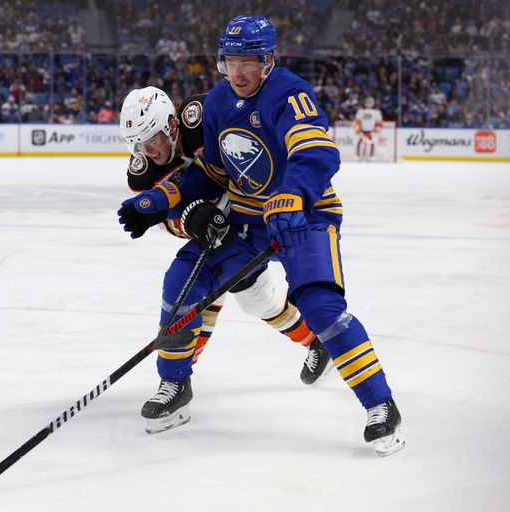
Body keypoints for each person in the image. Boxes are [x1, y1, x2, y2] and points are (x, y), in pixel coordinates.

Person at [117, 16, 404, 456]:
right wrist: (159, 200)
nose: (239, 73)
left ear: (269, 60)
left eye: (249, 61)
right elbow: (211, 174)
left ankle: (380, 404)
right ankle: (175, 387)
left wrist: (291, 194)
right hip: (247, 222)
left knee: (321, 305)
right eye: (231, 62)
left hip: (304, 216)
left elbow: (316, 151)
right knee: (182, 283)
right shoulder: (216, 103)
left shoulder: (289, 94)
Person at [119, 86, 333, 383]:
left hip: (254, 205)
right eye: (138, 143)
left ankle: (177, 379)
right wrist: (192, 221)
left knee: (222, 293)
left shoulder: (202, 117)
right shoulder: (142, 171)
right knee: (253, 297)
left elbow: (248, 150)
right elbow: (167, 222)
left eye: (152, 138)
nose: (148, 150)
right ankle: (314, 342)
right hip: (216, 229)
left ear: (170, 124)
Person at [354, 96, 384, 161]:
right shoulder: (361, 111)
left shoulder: (376, 112)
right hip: (362, 131)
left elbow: (379, 122)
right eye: (368, 102)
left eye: (370, 102)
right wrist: (357, 128)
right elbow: (357, 120)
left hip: (372, 131)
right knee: (360, 143)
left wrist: (377, 128)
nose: (369, 103)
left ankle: (371, 155)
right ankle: (358, 155)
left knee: (372, 143)